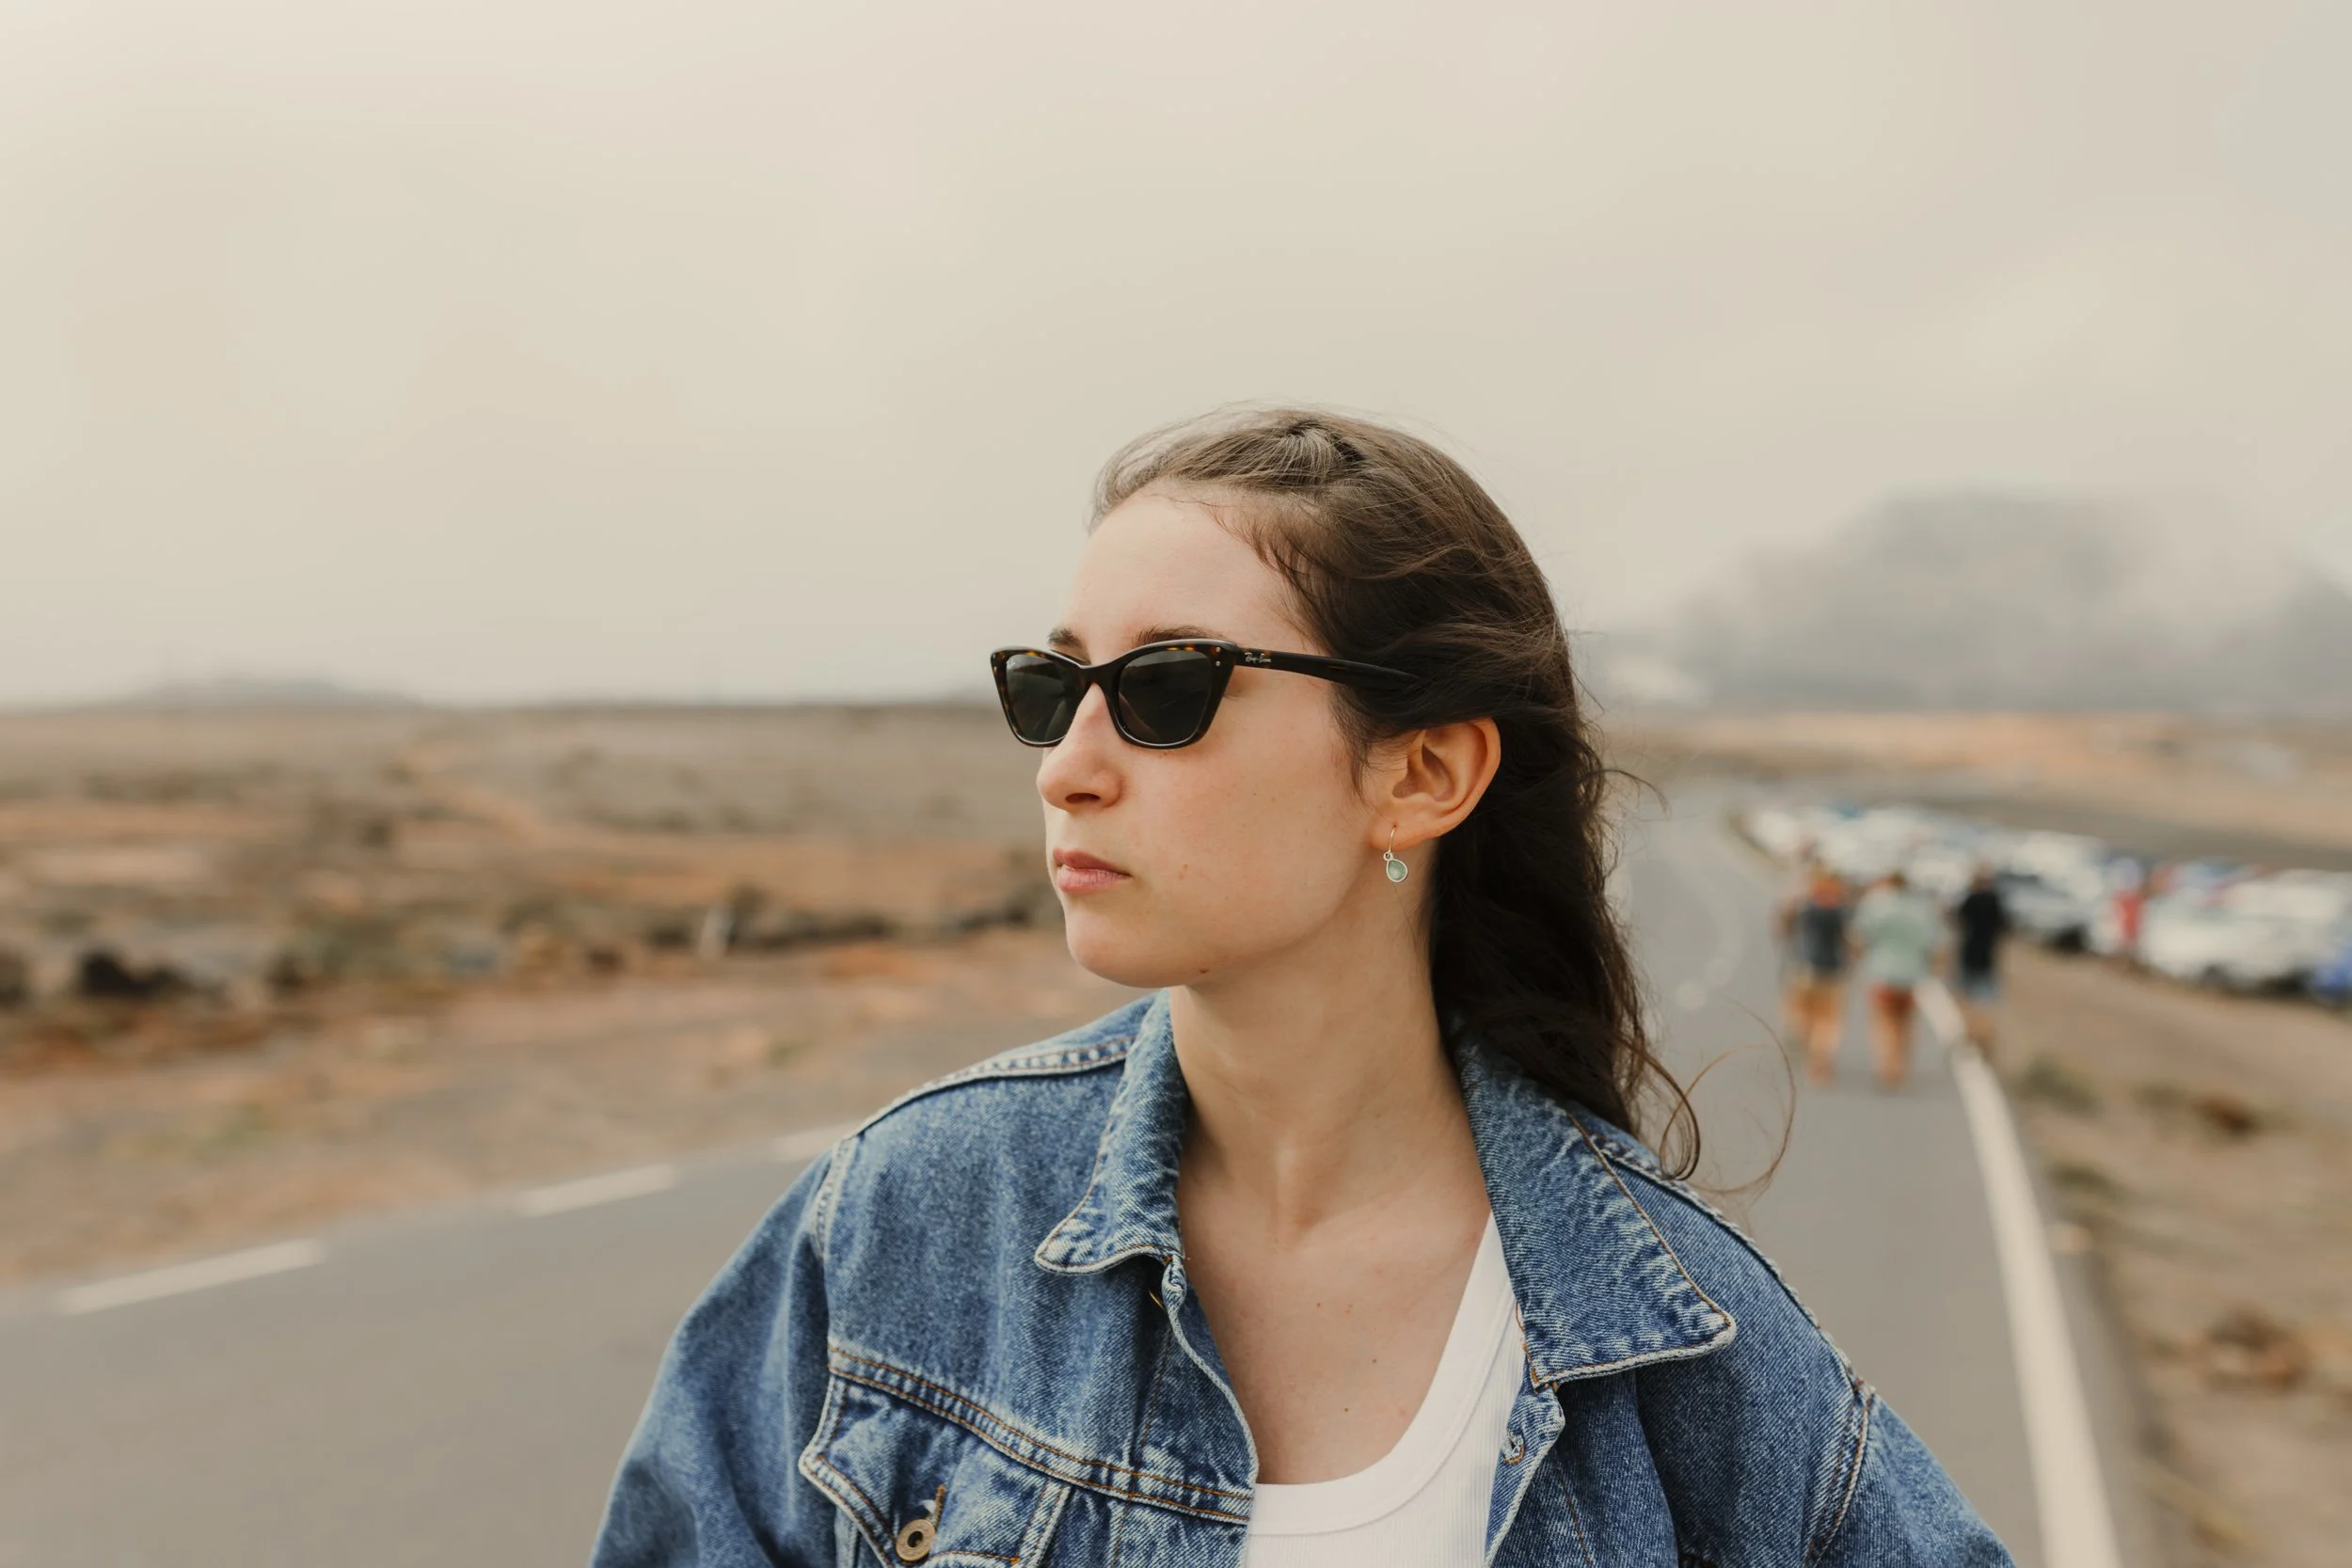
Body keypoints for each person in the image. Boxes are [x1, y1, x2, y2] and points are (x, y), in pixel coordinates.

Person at [592, 410, 2009, 1566]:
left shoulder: (1674, 1338)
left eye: (1166, 686)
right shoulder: (910, 1215)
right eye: (1052, 683)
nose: (1066, 762)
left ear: (1420, 774)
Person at [1851, 869, 1944, 1090]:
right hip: (1911, 975)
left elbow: (1859, 936)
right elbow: (1935, 943)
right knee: (1906, 1023)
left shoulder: (1877, 905)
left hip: (1882, 972)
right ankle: (1901, 1065)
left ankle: (1886, 1065)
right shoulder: (1922, 909)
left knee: (1883, 1022)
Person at [1780, 861, 1853, 1085]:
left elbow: (1785, 927)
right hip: (1832, 970)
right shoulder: (1842, 909)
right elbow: (1850, 940)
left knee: (1803, 1013)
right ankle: (1820, 1063)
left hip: (1804, 968)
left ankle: (1807, 1046)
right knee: (1828, 1021)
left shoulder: (1804, 905)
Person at [1951, 866, 2010, 1056]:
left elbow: (1958, 922)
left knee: (1966, 998)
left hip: (1969, 955)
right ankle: (1985, 1036)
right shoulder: (1997, 902)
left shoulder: (1970, 900)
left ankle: (1971, 1035)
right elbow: (2005, 928)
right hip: (1988, 957)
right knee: (1986, 1000)